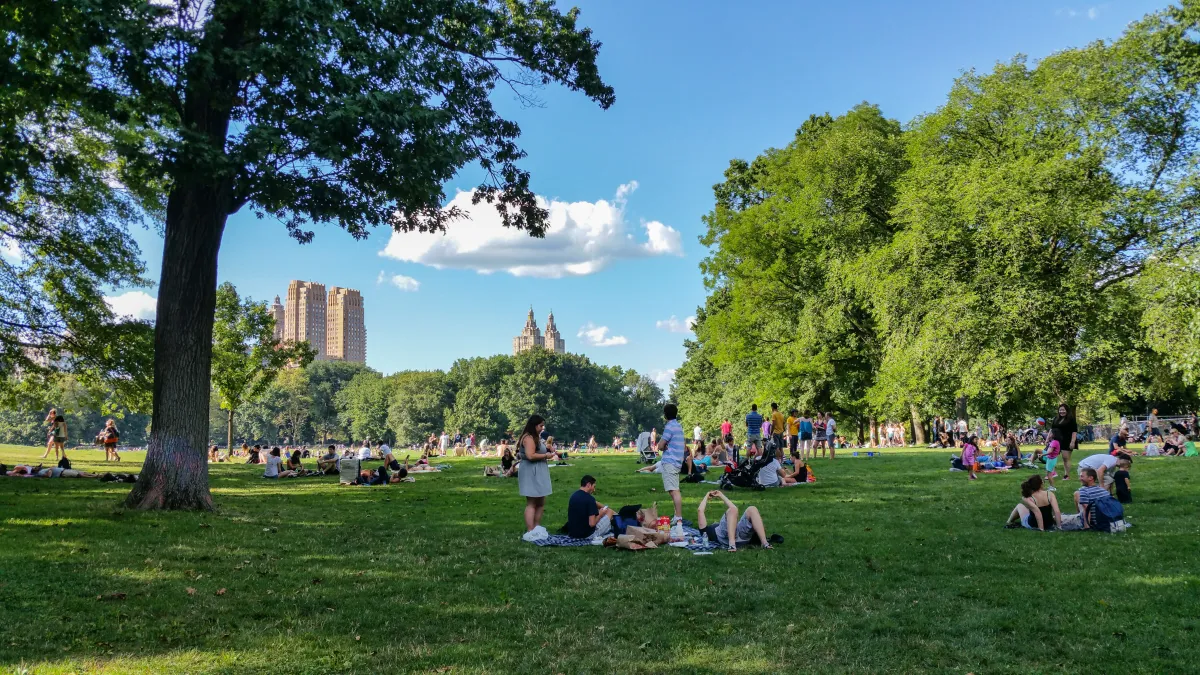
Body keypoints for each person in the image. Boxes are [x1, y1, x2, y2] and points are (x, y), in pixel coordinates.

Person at [518, 415, 556, 540]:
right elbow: (530, 455)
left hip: (539, 470)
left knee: (540, 502)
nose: (542, 428)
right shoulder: (528, 438)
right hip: (531, 471)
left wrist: (548, 449)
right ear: (534, 425)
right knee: (532, 502)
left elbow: (539, 450)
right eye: (540, 425)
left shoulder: (536, 438)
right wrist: (546, 455)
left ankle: (536, 528)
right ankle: (530, 530)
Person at [696, 490, 772, 552]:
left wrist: (713, 495)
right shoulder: (706, 532)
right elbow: (733, 509)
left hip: (739, 537)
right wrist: (717, 495)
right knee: (737, 509)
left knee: (752, 509)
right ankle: (733, 544)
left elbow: (700, 510)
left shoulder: (707, 531)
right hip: (731, 538)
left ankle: (764, 543)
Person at [654, 403, 687, 523]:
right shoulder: (678, 425)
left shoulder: (669, 427)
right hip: (677, 461)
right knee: (674, 489)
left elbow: (660, 445)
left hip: (670, 461)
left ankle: (678, 517)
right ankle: (676, 515)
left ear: (665, 415)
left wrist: (662, 446)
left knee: (674, 491)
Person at [566, 475, 614, 539]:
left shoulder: (573, 496)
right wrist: (600, 514)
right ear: (588, 485)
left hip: (573, 534)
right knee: (610, 512)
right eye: (594, 487)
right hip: (587, 535)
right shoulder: (590, 499)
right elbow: (592, 524)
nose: (594, 490)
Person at [1049, 404, 1079, 480]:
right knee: (1051, 456)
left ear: (1067, 411)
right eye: (1060, 410)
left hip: (1067, 440)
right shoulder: (1056, 418)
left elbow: (1074, 431)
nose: (1061, 411)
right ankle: (1052, 473)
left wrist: (1072, 442)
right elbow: (1052, 429)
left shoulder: (1071, 419)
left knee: (1065, 458)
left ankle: (1066, 475)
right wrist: (1048, 438)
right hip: (1056, 441)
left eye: (1063, 410)